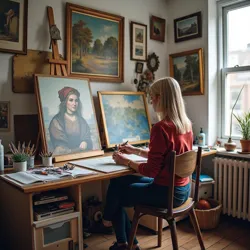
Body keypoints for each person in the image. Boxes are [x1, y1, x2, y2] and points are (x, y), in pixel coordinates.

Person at [102, 77, 193, 250]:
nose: (151, 101)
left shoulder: (161, 128)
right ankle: (128, 242)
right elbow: (166, 158)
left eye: (152, 97)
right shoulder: (185, 125)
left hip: (165, 193)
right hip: (182, 190)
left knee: (115, 196)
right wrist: (135, 151)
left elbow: (151, 171)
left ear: (161, 98)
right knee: (117, 182)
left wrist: (125, 161)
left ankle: (120, 238)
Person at [49, 86, 93, 154]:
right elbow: (60, 146)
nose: (74, 104)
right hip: (64, 156)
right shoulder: (57, 121)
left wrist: (85, 142)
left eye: (76, 100)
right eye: (71, 100)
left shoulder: (82, 121)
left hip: (82, 155)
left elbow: (87, 137)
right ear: (65, 102)